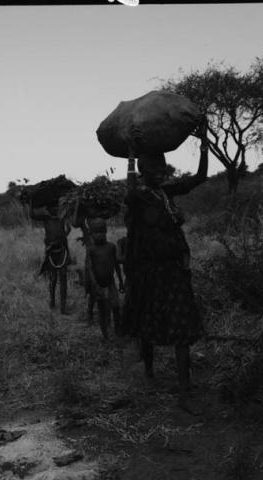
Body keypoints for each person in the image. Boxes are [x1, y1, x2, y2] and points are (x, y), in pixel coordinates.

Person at [121, 118, 209, 414]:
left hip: (174, 272)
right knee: (147, 325)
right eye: (155, 169)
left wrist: (205, 142)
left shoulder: (167, 193)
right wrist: (131, 155)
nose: (161, 172)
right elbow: (130, 192)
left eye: (164, 168)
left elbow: (200, 178)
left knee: (183, 328)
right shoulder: (139, 198)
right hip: (149, 274)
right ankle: (148, 370)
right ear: (144, 171)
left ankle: (184, 392)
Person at [85, 218, 125, 340]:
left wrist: (121, 282)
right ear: (91, 234)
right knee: (102, 311)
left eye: (101, 232)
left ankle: (118, 330)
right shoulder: (91, 249)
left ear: (106, 232)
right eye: (96, 232)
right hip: (98, 285)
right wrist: (94, 285)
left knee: (116, 307)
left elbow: (117, 266)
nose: (99, 235)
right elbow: (89, 268)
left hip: (111, 283)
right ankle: (105, 336)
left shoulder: (111, 247)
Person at [30, 201, 71, 314]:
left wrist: (65, 232)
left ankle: (63, 307)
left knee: (63, 280)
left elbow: (66, 233)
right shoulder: (46, 219)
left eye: (55, 207)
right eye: (51, 207)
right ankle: (52, 302)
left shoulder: (61, 219)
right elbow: (32, 215)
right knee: (52, 279)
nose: (54, 209)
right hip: (51, 252)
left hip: (62, 251)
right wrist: (31, 201)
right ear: (47, 209)